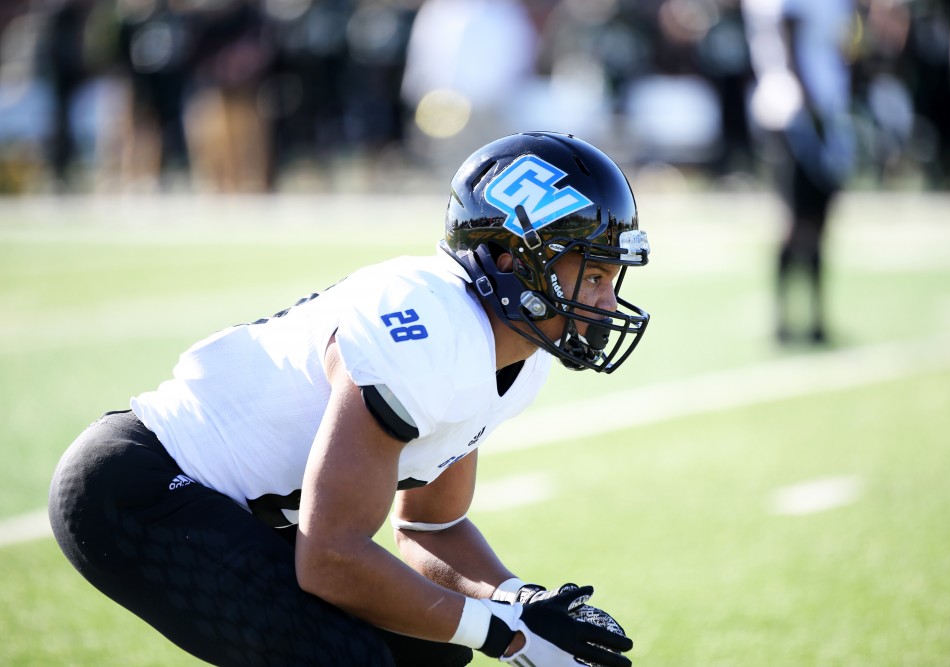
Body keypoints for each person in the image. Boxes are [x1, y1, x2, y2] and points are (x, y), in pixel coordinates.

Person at [48, 131, 649, 667]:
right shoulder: (427, 326)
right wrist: (508, 639)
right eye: (591, 275)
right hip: (137, 488)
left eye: (610, 279)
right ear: (515, 261)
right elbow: (332, 557)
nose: (604, 301)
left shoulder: (515, 355)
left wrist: (520, 604)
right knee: (350, 658)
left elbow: (432, 527)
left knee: (430, 653)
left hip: (236, 507)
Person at [743, 0, 856, 345]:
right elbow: (789, 47)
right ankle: (784, 318)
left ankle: (815, 317)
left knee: (820, 220)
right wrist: (815, 113)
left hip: (824, 110)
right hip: (794, 113)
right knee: (796, 220)